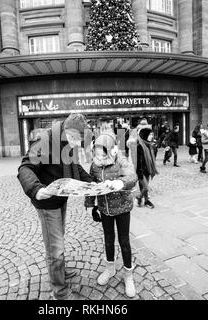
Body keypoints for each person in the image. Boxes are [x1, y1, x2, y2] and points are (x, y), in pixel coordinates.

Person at [17, 113, 94, 300]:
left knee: (59, 239)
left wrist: (92, 184)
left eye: (80, 140)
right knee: (55, 248)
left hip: (61, 199)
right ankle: (60, 292)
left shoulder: (67, 142)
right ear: (66, 131)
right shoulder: (46, 141)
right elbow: (25, 168)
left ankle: (60, 273)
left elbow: (76, 167)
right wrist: (36, 189)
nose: (77, 144)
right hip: (47, 201)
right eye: (75, 139)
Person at [84, 132, 137, 298]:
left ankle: (128, 276)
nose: (99, 157)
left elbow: (132, 176)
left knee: (124, 241)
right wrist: (89, 204)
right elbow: (91, 185)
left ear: (111, 150)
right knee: (108, 239)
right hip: (105, 208)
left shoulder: (120, 159)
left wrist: (120, 182)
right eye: (97, 154)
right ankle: (110, 269)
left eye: (103, 153)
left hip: (122, 207)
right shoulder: (94, 165)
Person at [129, 125, 158, 209]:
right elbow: (137, 162)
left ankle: (144, 200)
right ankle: (140, 197)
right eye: (150, 135)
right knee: (146, 187)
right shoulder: (139, 146)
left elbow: (153, 158)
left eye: (152, 135)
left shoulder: (149, 145)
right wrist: (139, 173)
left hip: (148, 170)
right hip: (141, 171)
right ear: (144, 135)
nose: (152, 136)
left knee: (144, 188)